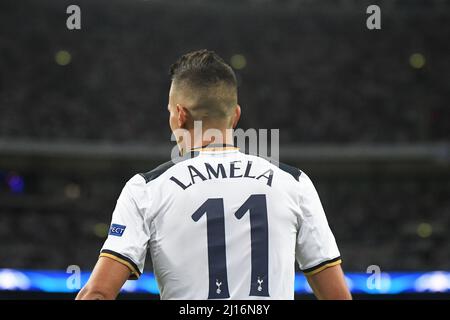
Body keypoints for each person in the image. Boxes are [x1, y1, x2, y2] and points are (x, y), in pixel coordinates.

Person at [76, 49, 351, 300]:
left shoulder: (146, 189)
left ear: (180, 115)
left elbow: (98, 293)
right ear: (235, 116)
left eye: (170, 112)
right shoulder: (294, 183)